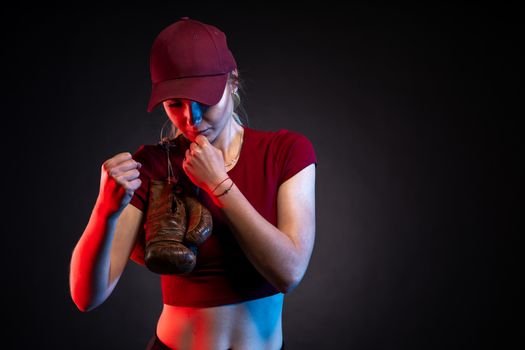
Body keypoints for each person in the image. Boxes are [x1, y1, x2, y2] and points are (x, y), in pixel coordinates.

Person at [69, 17, 317, 350]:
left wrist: (219, 183)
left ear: (233, 82)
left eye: (204, 101)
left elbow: (289, 272)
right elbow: (86, 297)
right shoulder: (153, 165)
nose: (192, 119)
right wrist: (104, 211)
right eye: (175, 104)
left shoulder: (286, 151)